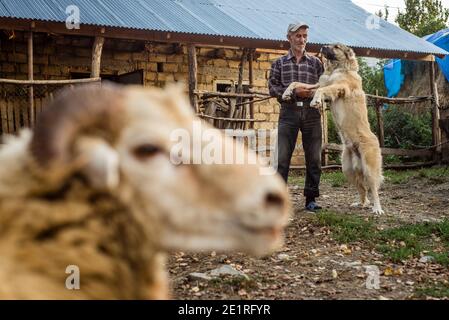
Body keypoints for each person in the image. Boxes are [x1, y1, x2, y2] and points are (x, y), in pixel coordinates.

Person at [268, 22, 324, 212]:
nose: (302, 39)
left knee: (314, 158)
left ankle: (311, 199)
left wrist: (313, 94)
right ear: (289, 38)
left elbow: (324, 86)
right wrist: (294, 93)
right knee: (283, 158)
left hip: (312, 113)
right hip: (288, 112)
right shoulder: (279, 63)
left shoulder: (316, 63)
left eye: (305, 36)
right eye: (298, 36)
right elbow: (273, 88)